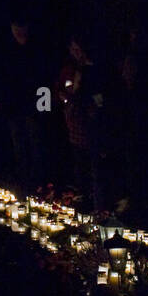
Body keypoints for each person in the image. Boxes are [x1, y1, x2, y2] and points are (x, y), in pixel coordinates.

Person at [0, 17, 47, 195]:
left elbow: (43, 76)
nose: (19, 32)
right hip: (14, 105)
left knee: (35, 142)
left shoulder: (36, 48)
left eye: (22, 27)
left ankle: (37, 181)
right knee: (18, 143)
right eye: (16, 28)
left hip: (33, 105)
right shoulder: (6, 49)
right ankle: (23, 180)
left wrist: (44, 104)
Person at [55, 34, 105, 213]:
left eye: (79, 50)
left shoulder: (93, 71)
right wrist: (66, 99)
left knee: (95, 170)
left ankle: (99, 208)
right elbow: (61, 90)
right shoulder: (69, 70)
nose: (77, 53)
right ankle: (82, 203)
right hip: (74, 127)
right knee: (80, 169)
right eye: (74, 50)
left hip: (91, 129)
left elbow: (97, 99)